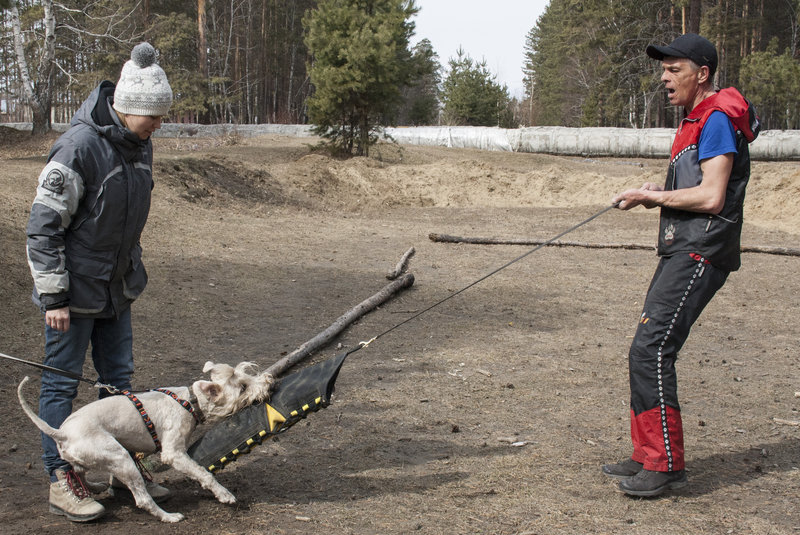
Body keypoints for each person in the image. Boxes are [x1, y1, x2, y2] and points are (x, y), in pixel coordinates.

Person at [603, 33, 760, 497]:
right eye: (663, 69)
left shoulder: (715, 118)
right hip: (684, 246)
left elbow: (712, 196)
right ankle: (645, 454)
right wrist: (660, 192)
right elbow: (696, 184)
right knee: (644, 348)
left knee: (651, 350)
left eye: (674, 69)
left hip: (701, 249)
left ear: (702, 73)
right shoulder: (696, 120)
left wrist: (652, 196)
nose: (665, 78)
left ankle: (664, 463)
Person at [26, 42, 173, 521]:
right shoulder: (78, 147)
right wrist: (54, 296)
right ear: (127, 107)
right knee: (61, 387)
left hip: (118, 288)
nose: (158, 126)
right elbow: (43, 226)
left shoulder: (139, 143)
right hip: (72, 295)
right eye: (153, 117)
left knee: (118, 383)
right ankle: (62, 477)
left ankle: (120, 467)